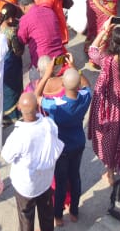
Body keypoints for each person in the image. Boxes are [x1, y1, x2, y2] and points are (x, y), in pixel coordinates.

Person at [84, 24, 120, 188]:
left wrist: (103, 29)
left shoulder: (107, 61)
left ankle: (110, 173)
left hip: (112, 105)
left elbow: (92, 50)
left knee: (110, 139)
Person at [0, 92, 62, 231]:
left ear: (20, 109)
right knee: (46, 215)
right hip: (45, 181)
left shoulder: (19, 135)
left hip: (26, 187)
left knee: (26, 218)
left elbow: (7, 156)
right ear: (37, 107)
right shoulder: (49, 124)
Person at [38, 64, 88, 224]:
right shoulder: (85, 97)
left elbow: (36, 96)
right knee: (75, 178)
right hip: (78, 144)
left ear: (63, 85)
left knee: (60, 183)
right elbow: (88, 85)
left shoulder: (55, 105)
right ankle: (74, 211)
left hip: (61, 149)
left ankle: (58, 216)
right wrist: (75, 68)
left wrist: (46, 75)